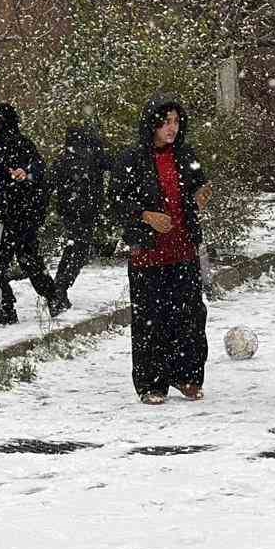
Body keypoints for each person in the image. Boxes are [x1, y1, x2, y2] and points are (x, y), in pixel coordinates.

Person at [112, 95, 212, 404]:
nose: (172, 128)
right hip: (148, 252)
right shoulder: (132, 159)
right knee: (150, 320)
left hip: (182, 249)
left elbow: (199, 185)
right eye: (166, 121)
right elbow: (117, 201)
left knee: (190, 317)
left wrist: (200, 196)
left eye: (176, 122)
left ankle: (188, 376)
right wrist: (145, 215)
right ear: (152, 124)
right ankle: (151, 383)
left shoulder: (185, 155)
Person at [0, 102, 59, 325]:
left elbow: (37, 171)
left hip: (8, 217)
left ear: (3, 124)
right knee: (28, 259)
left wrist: (26, 175)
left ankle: (7, 308)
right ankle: (54, 297)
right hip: (24, 216)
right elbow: (38, 170)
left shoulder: (9, 147)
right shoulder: (19, 145)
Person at [50, 124, 113, 315]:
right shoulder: (93, 156)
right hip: (86, 212)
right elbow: (114, 163)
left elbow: (48, 183)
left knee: (75, 248)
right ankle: (58, 291)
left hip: (71, 212)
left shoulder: (63, 160)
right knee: (78, 251)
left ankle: (59, 290)